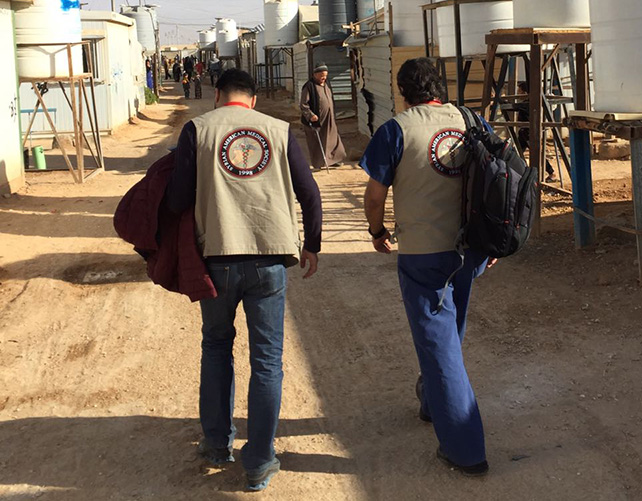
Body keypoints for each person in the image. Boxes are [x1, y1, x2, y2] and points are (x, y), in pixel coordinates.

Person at [164, 69, 322, 492]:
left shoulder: (197, 129)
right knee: (267, 359)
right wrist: (313, 245)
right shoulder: (280, 129)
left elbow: (178, 198)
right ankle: (259, 460)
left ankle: (217, 444)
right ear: (252, 100)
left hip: (215, 258)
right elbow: (310, 193)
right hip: (269, 260)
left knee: (216, 345)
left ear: (217, 96)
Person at [359, 58, 495, 477]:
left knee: (438, 343)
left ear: (402, 92)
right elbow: (499, 177)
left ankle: (466, 449)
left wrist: (376, 230)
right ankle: (433, 402)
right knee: (447, 333)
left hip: (423, 253)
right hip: (470, 249)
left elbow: (375, 194)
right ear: (440, 86)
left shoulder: (396, 129)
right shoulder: (472, 120)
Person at [300, 63, 346, 169]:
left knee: (332, 139)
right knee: (316, 142)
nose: (323, 78)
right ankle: (318, 163)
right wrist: (310, 115)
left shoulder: (326, 84)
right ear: (315, 74)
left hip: (329, 118)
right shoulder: (309, 86)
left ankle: (334, 159)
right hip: (315, 119)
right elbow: (303, 104)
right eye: (321, 75)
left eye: (325, 75)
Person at [516, 81, 557, 183]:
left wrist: (501, 101)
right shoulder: (526, 103)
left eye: (519, 92)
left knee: (537, 153)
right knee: (516, 152)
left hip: (529, 133)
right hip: (523, 133)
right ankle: (523, 173)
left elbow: (514, 107)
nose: (517, 94)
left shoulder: (529, 104)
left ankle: (552, 173)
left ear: (525, 92)